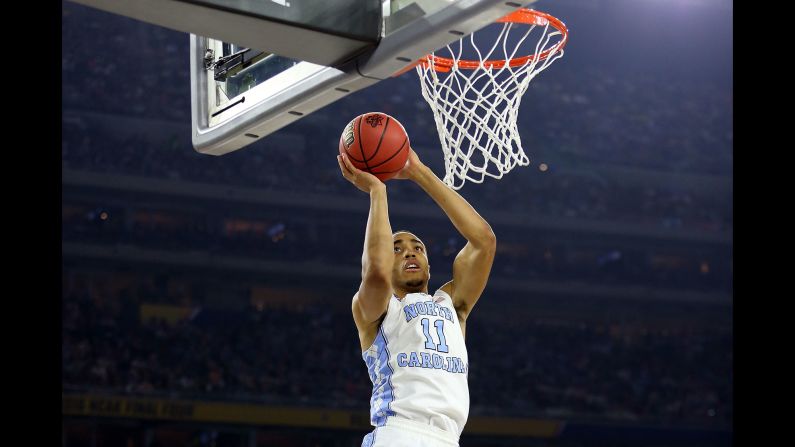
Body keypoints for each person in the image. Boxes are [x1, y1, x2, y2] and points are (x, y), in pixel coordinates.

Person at [337, 148, 496, 447]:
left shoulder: (453, 304)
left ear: (429, 266)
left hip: (448, 439)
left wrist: (418, 171)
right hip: (399, 433)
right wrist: (377, 191)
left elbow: (483, 241)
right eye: (396, 248)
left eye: (418, 247)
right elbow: (376, 273)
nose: (409, 250)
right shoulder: (377, 311)